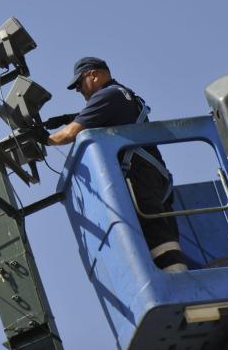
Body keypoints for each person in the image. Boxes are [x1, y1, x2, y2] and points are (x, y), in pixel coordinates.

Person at [45, 57, 188, 273]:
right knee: (162, 234)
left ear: (93, 74)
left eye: (79, 84)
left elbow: (69, 134)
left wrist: (44, 140)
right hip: (155, 177)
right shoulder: (123, 94)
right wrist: (67, 117)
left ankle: (176, 279)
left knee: (156, 235)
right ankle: (178, 276)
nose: (78, 90)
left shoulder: (107, 96)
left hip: (139, 176)